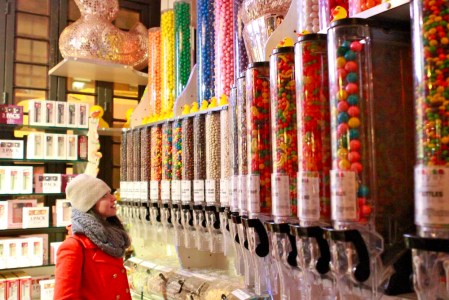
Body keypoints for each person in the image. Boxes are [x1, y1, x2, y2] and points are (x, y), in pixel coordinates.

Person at [54, 174, 132, 300]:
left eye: (110, 193)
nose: (113, 198)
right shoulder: (74, 246)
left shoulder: (112, 238)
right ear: (88, 203)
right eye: (104, 196)